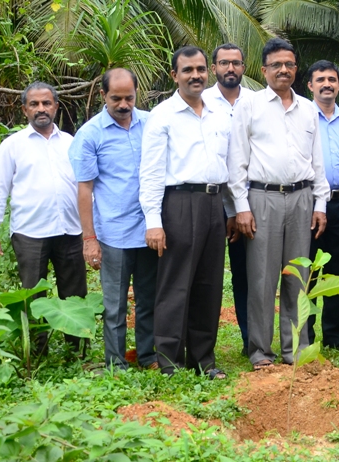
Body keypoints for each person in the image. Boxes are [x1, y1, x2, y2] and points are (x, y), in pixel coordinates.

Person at [228, 38, 330, 370]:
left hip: (302, 198)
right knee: (262, 278)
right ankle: (260, 351)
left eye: (289, 64)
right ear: (264, 70)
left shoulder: (308, 109)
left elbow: (317, 160)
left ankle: (296, 349)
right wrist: (242, 206)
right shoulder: (249, 105)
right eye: (276, 65)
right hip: (263, 199)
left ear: (296, 69)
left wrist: (320, 203)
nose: (283, 70)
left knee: (298, 276)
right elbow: (236, 161)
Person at [140, 45, 232, 378]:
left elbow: (229, 163)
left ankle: (203, 360)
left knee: (209, 284)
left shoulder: (219, 113)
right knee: (176, 284)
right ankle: (170, 361)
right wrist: (153, 222)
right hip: (179, 203)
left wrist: (232, 210)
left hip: (214, 203)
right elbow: (150, 172)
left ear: (209, 71)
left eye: (201, 69)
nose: (196, 75)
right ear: (174, 75)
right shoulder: (162, 115)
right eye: (188, 70)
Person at [0, 82, 87, 354]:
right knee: (33, 295)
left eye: (46, 103)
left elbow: (86, 188)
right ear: (24, 110)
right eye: (34, 104)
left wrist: (92, 231)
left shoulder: (71, 143)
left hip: (70, 231)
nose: (41, 109)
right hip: (30, 234)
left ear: (56, 106)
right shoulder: (13, 146)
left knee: (75, 294)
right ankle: (37, 354)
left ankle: (76, 350)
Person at [69, 69, 159, 370]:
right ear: (103, 95)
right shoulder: (90, 134)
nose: (123, 105)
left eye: (129, 98)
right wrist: (89, 239)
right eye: (116, 98)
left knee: (148, 298)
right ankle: (116, 362)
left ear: (137, 94)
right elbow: (85, 190)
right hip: (114, 234)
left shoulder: (152, 124)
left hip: (149, 229)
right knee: (115, 304)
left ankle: (147, 355)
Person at [305, 60, 339, 352]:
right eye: (320, 79)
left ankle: (337, 336)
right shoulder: (302, 117)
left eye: (331, 79)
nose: (326, 84)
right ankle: (304, 335)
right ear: (310, 85)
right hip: (309, 204)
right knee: (307, 268)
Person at [202, 43, 252, 356]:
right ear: (214, 68)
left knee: (246, 273)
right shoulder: (202, 101)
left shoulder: (257, 102)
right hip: (209, 201)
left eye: (235, 63)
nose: (230, 68)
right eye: (223, 63)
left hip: (248, 202)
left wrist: (238, 208)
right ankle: (201, 346)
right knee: (205, 275)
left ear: (244, 67)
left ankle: (250, 341)